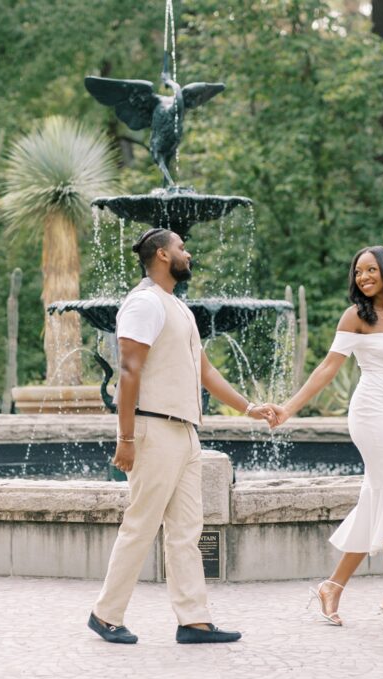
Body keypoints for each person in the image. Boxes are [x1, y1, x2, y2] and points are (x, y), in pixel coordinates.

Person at [88, 227, 276, 645]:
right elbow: (129, 370)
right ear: (160, 255)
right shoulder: (144, 303)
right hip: (153, 429)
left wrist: (248, 407)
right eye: (181, 248)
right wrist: (126, 437)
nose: (187, 254)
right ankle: (105, 614)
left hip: (186, 434)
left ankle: (193, 619)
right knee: (140, 525)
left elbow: (204, 371)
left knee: (187, 531)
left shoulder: (178, 307)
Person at [271, 245, 383, 630]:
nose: (363, 277)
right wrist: (288, 408)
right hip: (370, 414)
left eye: (371, 270)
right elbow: (327, 369)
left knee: (378, 501)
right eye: (358, 271)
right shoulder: (354, 317)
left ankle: (332, 587)